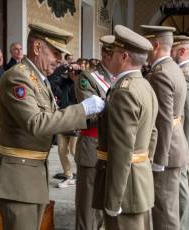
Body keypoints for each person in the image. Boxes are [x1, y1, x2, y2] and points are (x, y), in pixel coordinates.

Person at [0, 22, 105, 230]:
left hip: (32, 174)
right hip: (17, 178)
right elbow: (36, 122)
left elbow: (52, 118)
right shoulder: (18, 77)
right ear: (37, 48)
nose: (60, 60)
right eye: (56, 53)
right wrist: (82, 110)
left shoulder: (39, 79)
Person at [92, 25, 158, 230]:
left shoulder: (124, 92)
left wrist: (113, 200)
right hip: (138, 182)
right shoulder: (144, 85)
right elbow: (153, 134)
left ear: (123, 57)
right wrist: (144, 168)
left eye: (112, 53)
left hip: (124, 190)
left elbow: (121, 151)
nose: (108, 57)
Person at [141, 25, 189, 230]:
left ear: (155, 45)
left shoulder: (159, 73)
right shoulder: (172, 68)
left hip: (166, 150)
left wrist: (159, 159)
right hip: (175, 145)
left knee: (164, 211)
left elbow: (164, 120)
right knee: (168, 206)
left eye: (146, 45)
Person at [74, 35, 115, 230]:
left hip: (112, 147)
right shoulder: (87, 78)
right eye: (120, 54)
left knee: (103, 204)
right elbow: (89, 114)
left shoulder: (119, 77)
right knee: (87, 204)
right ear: (107, 55)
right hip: (92, 146)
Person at [172, 35, 189, 230]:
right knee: (183, 178)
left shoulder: (186, 72)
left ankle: (182, 223)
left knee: (181, 180)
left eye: (171, 49)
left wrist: (186, 141)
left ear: (181, 51)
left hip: (180, 135)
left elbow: (188, 111)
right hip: (180, 135)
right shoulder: (182, 70)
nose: (168, 53)